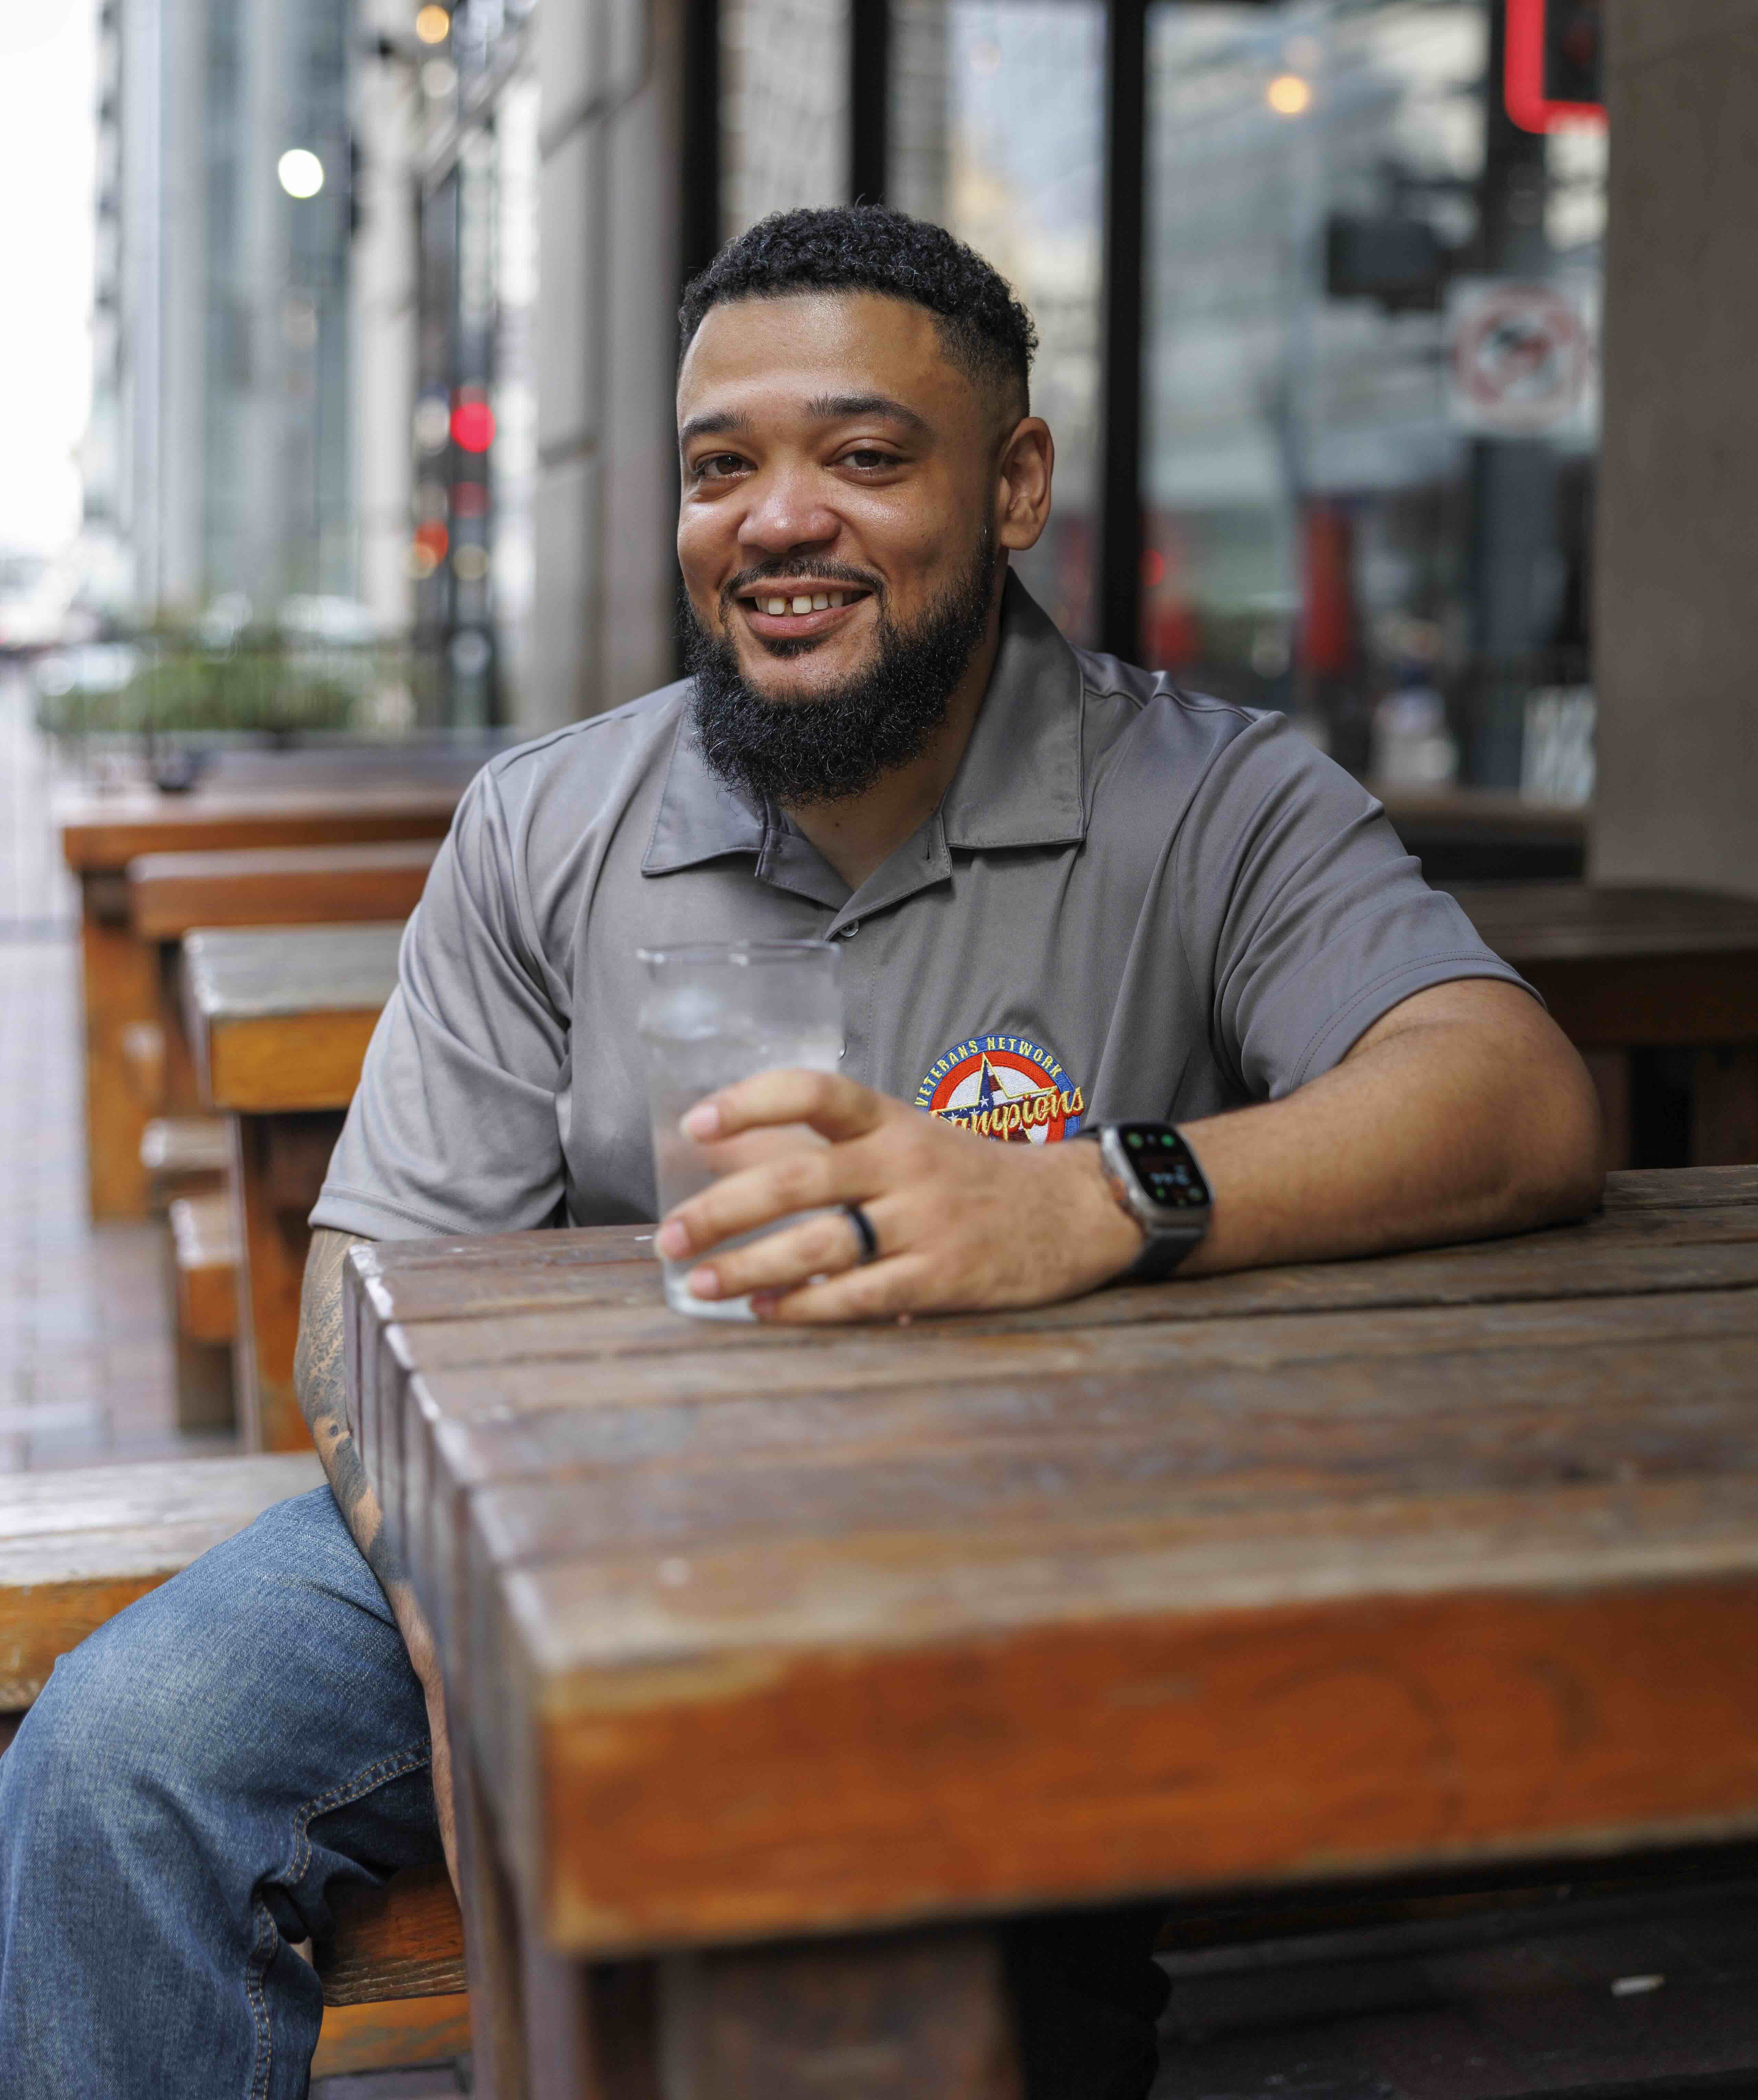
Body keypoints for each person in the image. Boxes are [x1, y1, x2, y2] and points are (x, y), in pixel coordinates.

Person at [0, 207, 1602, 2100]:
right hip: (565, 1506)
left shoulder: (1215, 795)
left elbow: (1512, 1095)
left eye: (860, 456)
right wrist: (471, 1600)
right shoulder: (548, 824)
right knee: (112, 1762)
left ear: (1012, 486)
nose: (774, 521)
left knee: (902, 1923)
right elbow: (364, 1289)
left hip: (1030, 1545)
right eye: (717, 468)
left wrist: (1089, 1198)